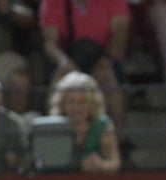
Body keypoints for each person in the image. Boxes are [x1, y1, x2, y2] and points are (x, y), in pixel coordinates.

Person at [37, 0, 129, 129]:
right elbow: (50, 44)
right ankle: (53, 133)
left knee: (107, 76)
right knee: (62, 77)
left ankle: (121, 137)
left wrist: (105, 61)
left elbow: (120, 34)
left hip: (104, 56)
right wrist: (65, 63)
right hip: (69, 58)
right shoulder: (53, 2)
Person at [48, 70, 122, 173]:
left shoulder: (102, 125)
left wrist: (101, 165)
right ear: (62, 104)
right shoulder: (52, 127)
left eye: (82, 102)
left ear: (92, 103)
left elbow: (115, 163)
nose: (76, 108)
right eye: (71, 102)